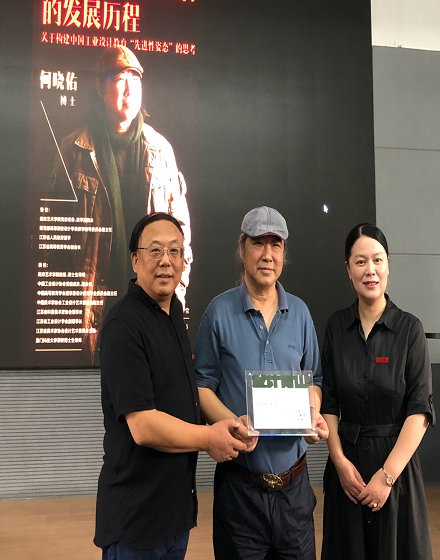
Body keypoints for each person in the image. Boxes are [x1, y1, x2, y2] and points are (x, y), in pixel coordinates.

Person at [94, 212, 249, 560]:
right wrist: (209, 438)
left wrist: (229, 422)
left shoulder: (172, 312)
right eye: (155, 250)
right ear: (135, 260)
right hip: (136, 522)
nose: (166, 260)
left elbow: (185, 394)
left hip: (173, 516)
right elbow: (143, 425)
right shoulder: (123, 325)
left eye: (175, 251)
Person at [194, 206, 328, 560]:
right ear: (242, 249)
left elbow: (314, 379)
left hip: (294, 492)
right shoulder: (218, 312)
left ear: (283, 253)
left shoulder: (300, 313)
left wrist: (311, 413)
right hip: (239, 490)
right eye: (258, 243)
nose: (267, 254)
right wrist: (232, 423)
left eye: (275, 244)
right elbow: (202, 386)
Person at [48, 46, 191, 362]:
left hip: (150, 301)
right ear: (101, 86)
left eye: (135, 80)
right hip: (92, 305)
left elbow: (182, 237)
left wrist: (175, 297)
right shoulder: (73, 150)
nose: (129, 89)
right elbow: (54, 241)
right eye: (120, 79)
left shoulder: (160, 151)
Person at [321, 223, 435, 560]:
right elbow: (328, 404)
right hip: (348, 473)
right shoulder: (336, 327)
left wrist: (386, 477)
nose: (370, 270)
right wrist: (339, 462)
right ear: (348, 269)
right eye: (360, 262)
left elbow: (420, 411)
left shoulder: (410, 329)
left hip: (396, 472)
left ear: (387, 265)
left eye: (377, 260)